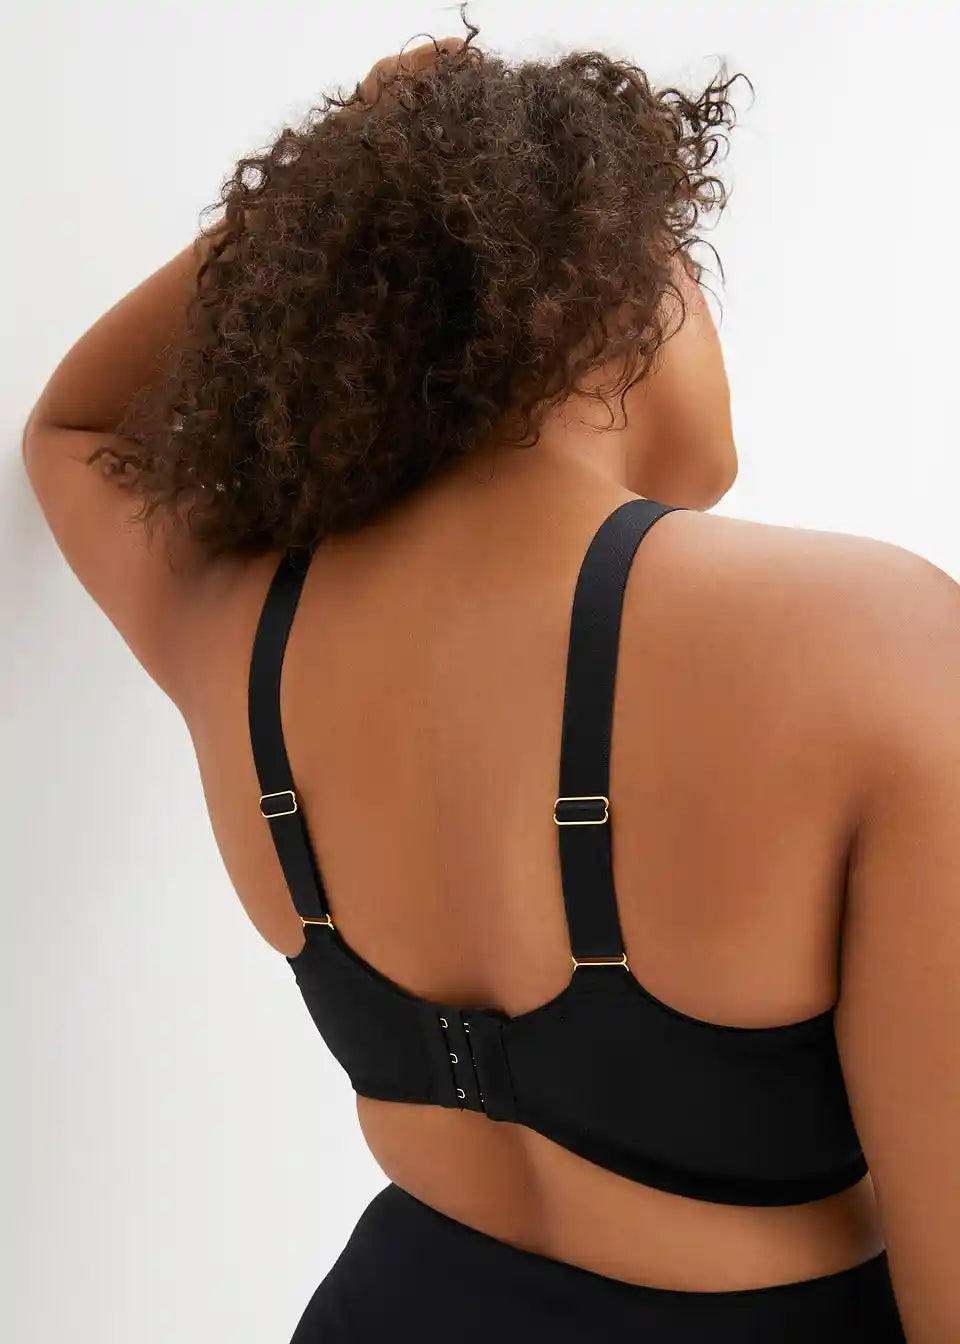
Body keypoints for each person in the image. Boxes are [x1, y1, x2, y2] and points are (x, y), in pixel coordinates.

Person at [21, 22, 959, 1342]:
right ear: (599, 290)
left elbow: (75, 428)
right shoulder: (875, 641)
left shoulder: (236, 624)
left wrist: (359, 151)